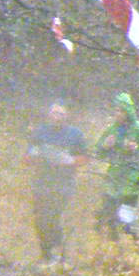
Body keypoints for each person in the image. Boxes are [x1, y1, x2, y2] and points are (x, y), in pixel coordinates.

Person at [25, 99, 88, 263]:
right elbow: (27, 157)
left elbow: (85, 158)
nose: (57, 117)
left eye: (60, 114)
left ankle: (58, 253)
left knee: (54, 217)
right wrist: (34, 156)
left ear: (66, 116)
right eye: (54, 113)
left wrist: (69, 161)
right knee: (40, 219)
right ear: (49, 114)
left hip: (64, 183)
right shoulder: (39, 132)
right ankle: (45, 254)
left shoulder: (75, 134)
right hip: (41, 182)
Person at [95, 92, 139, 240]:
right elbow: (98, 153)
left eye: (121, 111)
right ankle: (112, 240)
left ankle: (132, 240)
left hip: (132, 177)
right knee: (109, 208)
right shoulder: (111, 129)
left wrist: (137, 149)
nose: (118, 114)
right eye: (116, 110)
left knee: (127, 213)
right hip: (114, 175)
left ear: (129, 112)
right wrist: (105, 146)